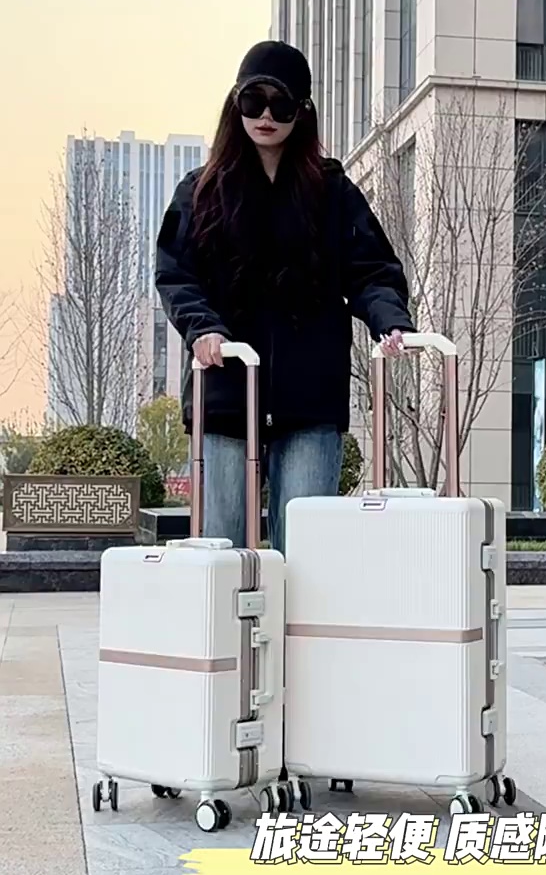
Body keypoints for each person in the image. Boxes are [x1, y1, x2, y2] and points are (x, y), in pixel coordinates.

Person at [155, 40, 415, 553]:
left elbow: (372, 269)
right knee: (222, 552)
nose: (266, 117)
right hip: (225, 391)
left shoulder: (332, 192)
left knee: (306, 552)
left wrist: (390, 320)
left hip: (310, 398)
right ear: (236, 104)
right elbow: (175, 274)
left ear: (303, 111)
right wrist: (202, 328)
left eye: (282, 104)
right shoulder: (201, 190)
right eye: (254, 101)